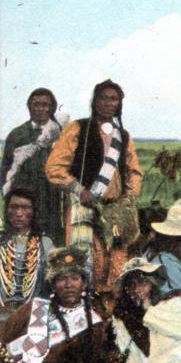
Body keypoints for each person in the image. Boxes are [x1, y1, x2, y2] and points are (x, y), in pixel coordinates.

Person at [46, 79, 143, 292]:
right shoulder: (78, 129)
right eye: (103, 98)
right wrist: (78, 189)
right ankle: (85, 311)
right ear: (94, 101)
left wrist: (128, 199)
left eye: (114, 99)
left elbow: (134, 171)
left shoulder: (123, 136)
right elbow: (54, 167)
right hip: (84, 207)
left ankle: (111, 312)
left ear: (120, 104)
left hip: (114, 212)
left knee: (116, 256)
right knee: (85, 260)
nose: (108, 103)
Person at [0, 247, 107, 363]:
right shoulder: (35, 306)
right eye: (62, 279)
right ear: (53, 285)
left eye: (74, 278)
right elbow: (3, 332)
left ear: (83, 284)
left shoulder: (92, 323)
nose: (68, 284)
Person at [1, 87, 69, 243]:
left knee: (50, 246)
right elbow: (5, 170)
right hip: (22, 202)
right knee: (20, 246)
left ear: (52, 107)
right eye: (36, 104)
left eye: (46, 104)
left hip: (50, 201)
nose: (41, 109)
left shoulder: (61, 135)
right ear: (29, 107)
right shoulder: (17, 135)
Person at [0, 188, 55, 321]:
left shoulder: (45, 244)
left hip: (35, 319)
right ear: (7, 211)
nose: (19, 213)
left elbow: (54, 284)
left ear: (34, 212)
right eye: (14, 207)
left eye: (25, 208)